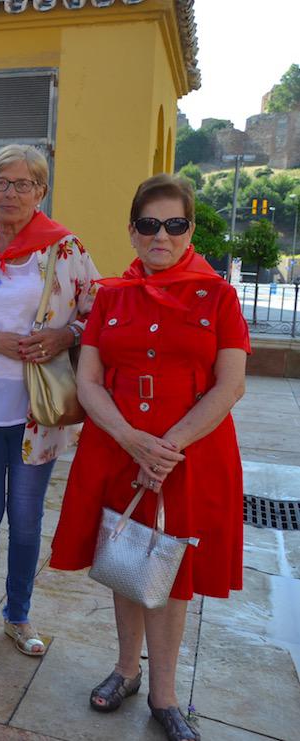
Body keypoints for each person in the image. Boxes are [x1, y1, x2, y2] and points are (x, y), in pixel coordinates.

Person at [50, 174, 248, 741]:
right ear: (132, 230)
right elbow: (89, 382)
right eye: (149, 224)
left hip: (189, 455)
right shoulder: (111, 296)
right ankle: (125, 670)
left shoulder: (218, 296)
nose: (161, 235)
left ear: (190, 229)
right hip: (117, 448)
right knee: (128, 555)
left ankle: (165, 695)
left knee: (172, 568)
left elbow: (231, 384)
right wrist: (131, 438)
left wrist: (167, 446)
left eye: (174, 224)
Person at [0, 144, 100, 660]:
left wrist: (64, 335)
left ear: (41, 191)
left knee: (27, 519)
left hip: (39, 411)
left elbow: (98, 309)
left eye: (23, 184)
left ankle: (19, 615)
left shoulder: (63, 249)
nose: (10, 193)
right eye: (1, 183)